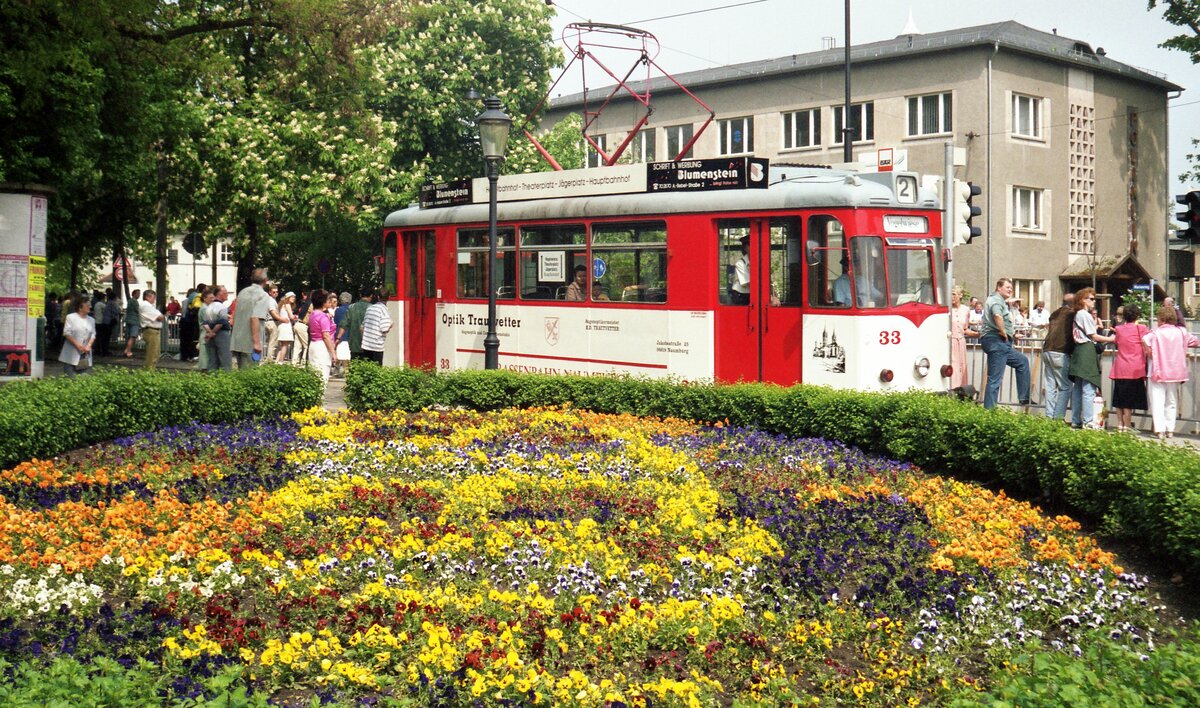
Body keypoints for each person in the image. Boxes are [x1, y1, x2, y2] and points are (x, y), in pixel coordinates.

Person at [1142, 307, 1199, 439]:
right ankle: (1170, 429)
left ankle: (1160, 430)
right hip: (1175, 371)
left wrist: (1149, 352)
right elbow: (1195, 341)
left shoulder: (1155, 333)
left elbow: (1144, 339)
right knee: (1172, 401)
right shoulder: (1182, 332)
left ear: (1160, 319)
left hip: (1157, 371)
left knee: (1157, 400)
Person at [979, 278, 1031, 409]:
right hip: (996, 341)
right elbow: (997, 316)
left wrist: (1011, 334)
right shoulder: (996, 300)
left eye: (1011, 287)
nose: (1010, 289)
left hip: (1000, 342)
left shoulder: (999, 300)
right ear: (999, 288)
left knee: (1022, 362)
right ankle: (989, 411)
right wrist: (1003, 332)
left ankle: (1024, 398)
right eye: (1007, 287)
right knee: (994, 379)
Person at [1068, 288, 1115, 429]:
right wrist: (1111, 338)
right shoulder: (1084, 315)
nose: (1094, 301)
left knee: (1077, 389)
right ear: (1083, 300)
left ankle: (1076, 420)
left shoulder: (1077, 314)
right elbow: (1093, 336)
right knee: (1088, 388)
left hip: (1078, 352)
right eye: (1091, 298)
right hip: (1086, 352)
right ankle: (1088, 421)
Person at [1109, 304, 1149, 433]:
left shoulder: (1119, 329)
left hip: (1120, 367)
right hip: (1135, 368)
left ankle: (1120, 423)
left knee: (1119, 397)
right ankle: (1127, 425)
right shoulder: (1141, 328)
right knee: (1129, 398)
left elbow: (1116, 341)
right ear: (1137, 315)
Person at [1041, 293, 1075, 422]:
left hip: (1047, 350)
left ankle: (1049, 416)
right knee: (1065, 387)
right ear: (1073, 303)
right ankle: (1058, 418)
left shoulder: (1054, 313)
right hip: (1060, 352)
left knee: (1050, 387)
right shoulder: (1072, 314)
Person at [231, 268, 271, 368]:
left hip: (237, 341)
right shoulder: (263, 295)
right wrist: (257, 342)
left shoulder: (242, 292)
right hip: (250, 343)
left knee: (240, 375)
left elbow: (234, 316)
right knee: (249, 376)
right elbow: (255, 318)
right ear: (265, 280)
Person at [58, 294, 95, 378]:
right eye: (87, 304)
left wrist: (89, 345)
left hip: (85, 355)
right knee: (70, 379)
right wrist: (78, 345)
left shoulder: (91, 320)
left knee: (84, 381)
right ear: (80, 306)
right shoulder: (70, 317)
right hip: (71, 353)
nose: (90, 306)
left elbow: (93, 334)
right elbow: (67, 333)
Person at [307, 289, 338, 384]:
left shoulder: (312, 314)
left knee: (314, 373)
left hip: (313, 345)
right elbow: (326, 336)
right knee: (322, 375)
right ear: (323, 302)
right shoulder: (323, 317)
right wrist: (333, 352)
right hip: (322, 347)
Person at [949, 286, 976, 389]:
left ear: (960, 295)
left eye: (954, 294)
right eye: (950, 294)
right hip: (951, 342)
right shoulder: (948, 309)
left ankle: (961, 391)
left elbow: (965, 329)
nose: (952, 297)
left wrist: (977, 334)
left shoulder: (965, 310)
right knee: (953, 366)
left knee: (962, 366)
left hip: (961, 342)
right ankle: (952, 389)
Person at [202, 285, 233, 372]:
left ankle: (211, 380)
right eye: (225, 293)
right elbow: (221, 322)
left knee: (212, 360)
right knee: (225, 360)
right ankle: (226, 380)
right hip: (222, 335)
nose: (227, 295)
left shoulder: (209, 307)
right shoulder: (222, 307)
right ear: (220, 294)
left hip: (211, 336)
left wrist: (209, 332)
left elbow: (205, 323)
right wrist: (213, 332)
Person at [360, 289, 393, 364]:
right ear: (389, 297)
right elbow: (384, 329)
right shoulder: (384, 310)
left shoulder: (370, 308)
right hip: (377, 346)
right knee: (376, 370)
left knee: (367, 369)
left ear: (378, 297)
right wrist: (391, 325)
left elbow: (361, 328)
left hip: (366, 345)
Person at [342, 288, 372, 361]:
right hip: (369, 344)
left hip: (354, 344)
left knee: (355, 367)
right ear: (371, 296)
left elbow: (344, 324)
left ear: (360, 295)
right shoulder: (372, 308)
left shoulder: (351, 307)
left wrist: (337, 338)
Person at [138, 290, 165, 369]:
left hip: (153, 331)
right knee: (152, 354)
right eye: (153, 298)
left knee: (155, 353)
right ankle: (149, 372)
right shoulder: (146, 305)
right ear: (147, 297)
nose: (154, 300)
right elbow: (160, 317)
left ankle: (150, 370)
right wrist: (161, 315)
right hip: (151, 330)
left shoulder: (149, 306)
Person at [274, 291, 297, 364]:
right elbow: (291, 316)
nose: (294, 298)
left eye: (294, 297)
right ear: (288, 297)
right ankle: (281, 362)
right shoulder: (287, 305)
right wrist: (296, 317)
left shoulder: (282, 305)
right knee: (285, 345)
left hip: (282, 326)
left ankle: (277, 361)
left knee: (282, 346)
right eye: (292, 297)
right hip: (286, 326)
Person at [264, 284, 283, 362]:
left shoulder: (270, 300)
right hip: (272, 322)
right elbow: (273, 312)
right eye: (273, 292)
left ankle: (268, 358)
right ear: (270, 292)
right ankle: (269, 359)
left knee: (270, 342)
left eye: (277, 292)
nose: (275, 293)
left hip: (268, 322)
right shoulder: (271, 301)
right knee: (273, 343)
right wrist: (282, 319)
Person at [729, 236, 751, 304]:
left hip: (752, 294)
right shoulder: (740, 263)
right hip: (741, 295)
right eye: (750, 244)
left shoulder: (759, 262)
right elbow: (748, 283)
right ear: (745, 248)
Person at [122, 289, 141, 358]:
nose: (139, 295)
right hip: (134, 321)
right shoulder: (134, 301)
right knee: (133, 337)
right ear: (133, 294)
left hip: (128, 320)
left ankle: (126, 350)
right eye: (137, 294)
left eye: (139, 294)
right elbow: (138, 311)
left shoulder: (129, 301)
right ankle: (128, 352)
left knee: (130, 336)